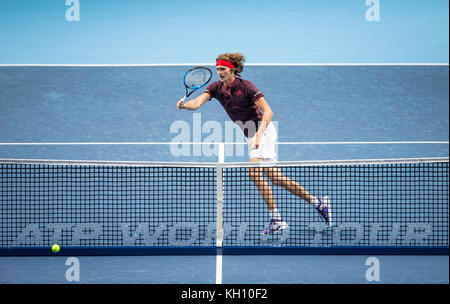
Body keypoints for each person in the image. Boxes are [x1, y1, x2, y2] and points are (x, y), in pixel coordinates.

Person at [177, 52, 332, 235]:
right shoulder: (216, 88)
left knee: (254, 173)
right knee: (275, 178)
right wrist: (184, 105)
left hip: (263, 131)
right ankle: (318, 203)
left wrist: (258, 135)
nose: (219, 72)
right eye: (217, 69)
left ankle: (276, 218)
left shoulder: (247, 87)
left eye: (223, 69)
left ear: (232, 69)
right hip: (250, 134)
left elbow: (268, 111)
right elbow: (196, 103)